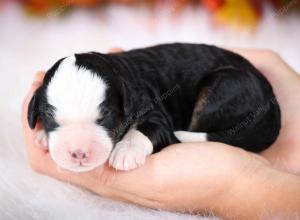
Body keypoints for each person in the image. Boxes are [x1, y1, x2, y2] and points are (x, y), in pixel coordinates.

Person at [21, 48, 300, 219]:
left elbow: (158, 125)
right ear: (38, 111)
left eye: (102, 118)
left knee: (214, 96)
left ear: (125, 103)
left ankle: (229, 132)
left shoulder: (135, 94)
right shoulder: (113, 89)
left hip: (231, 84)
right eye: (54, 121)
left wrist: (137, 142)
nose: (78, 149)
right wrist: (51, 130)